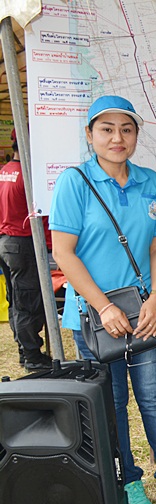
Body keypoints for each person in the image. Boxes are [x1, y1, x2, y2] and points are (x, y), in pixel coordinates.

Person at [50, 95, 156, 504]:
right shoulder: (74, 182)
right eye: (106, 129)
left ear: (136, 135)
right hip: (94, 318)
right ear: (90, 135)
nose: (117, 138)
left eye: (126, 129)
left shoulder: (151, 182)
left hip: (144, 312)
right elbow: (64, 252)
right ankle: (127, 481)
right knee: (111, 404)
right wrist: (104, 306)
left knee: (154, 399)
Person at [0, 128, 53, 370]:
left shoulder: (5, 171)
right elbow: (41, 217)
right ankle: (32, 355)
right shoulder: (29, 178)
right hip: (23, 243)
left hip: (7, 242)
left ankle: (25, 351)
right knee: (28, 302)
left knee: (16, 300)